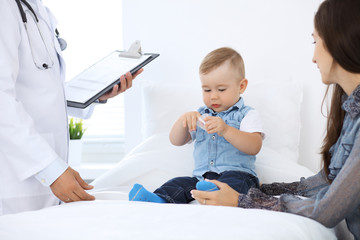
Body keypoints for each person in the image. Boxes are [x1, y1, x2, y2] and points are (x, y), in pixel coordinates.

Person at [191, 0, 360, 239]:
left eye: (315, 41)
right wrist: (263, 191)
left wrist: (244, 200)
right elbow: (328, 181)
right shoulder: (352, 111)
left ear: (340, 41)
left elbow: (328, 209)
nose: (313, 57)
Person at [0, 0, 143, 215]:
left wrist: (95, 95)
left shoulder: (37, 8)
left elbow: (42, 92)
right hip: (14, 180)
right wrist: (50, 169)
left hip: (42, 176)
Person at [128, 47, 264, 204]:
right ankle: (158, 199)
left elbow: (254, 146)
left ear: (241, 86)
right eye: (207, 89)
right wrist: (183, 121)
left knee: (237, 182)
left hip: (239, 174)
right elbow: (175, 140)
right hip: (201, 179)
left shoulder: (247, 114)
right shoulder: (201, 116)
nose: (213, 95)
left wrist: (226, 130)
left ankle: (216, 193)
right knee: (179, 183)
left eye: (221, 89)